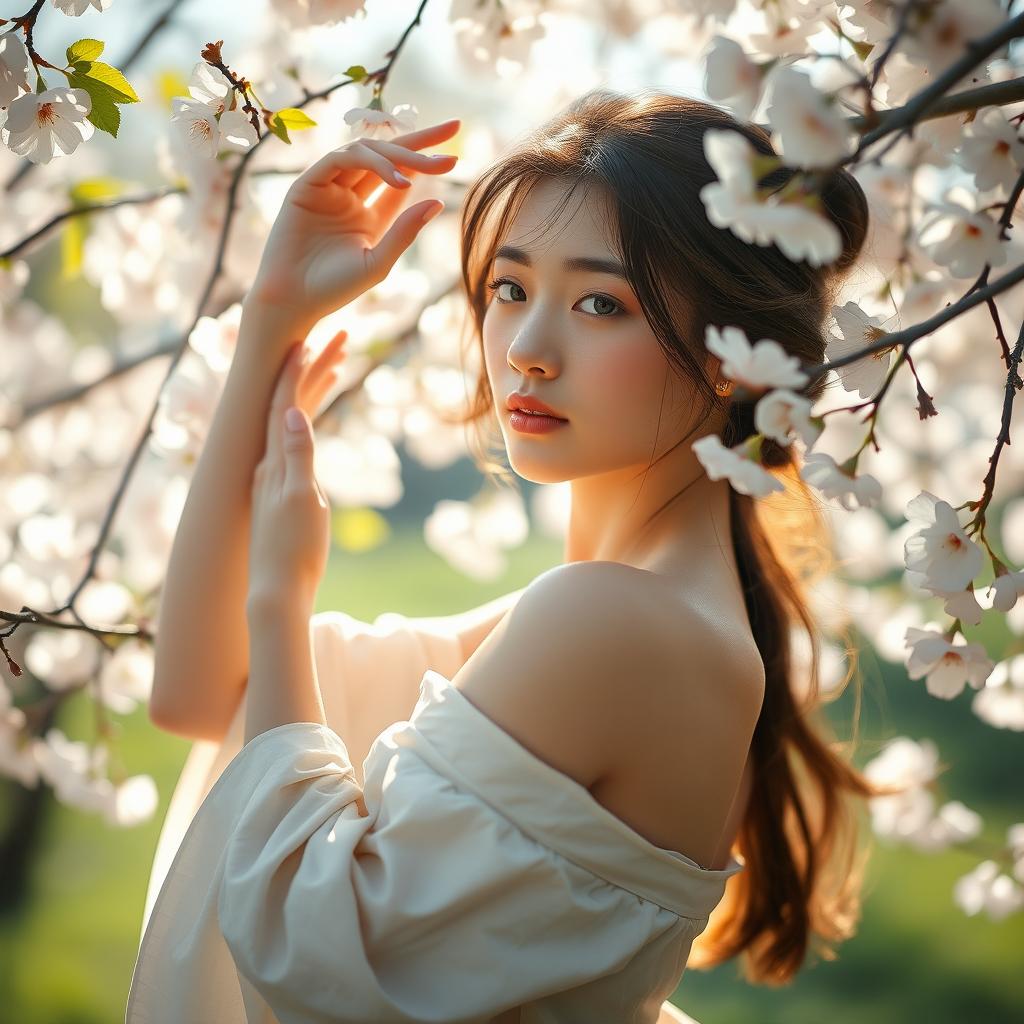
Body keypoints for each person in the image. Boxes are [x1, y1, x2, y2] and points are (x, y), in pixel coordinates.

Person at [128, 88, 900, 1023]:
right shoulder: (616, 612)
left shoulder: (623, 623)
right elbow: (208, 698)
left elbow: (313, 949)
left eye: (601, 303)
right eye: (510, 287)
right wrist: (272, 319)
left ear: (730, 355)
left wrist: (277, 598)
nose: (527, 350)